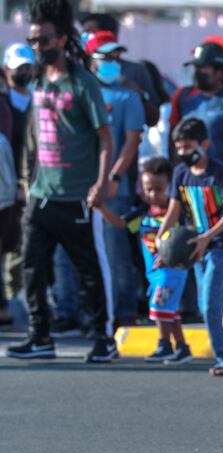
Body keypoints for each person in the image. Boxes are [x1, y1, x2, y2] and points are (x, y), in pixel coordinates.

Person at [6, 0, 116, 363]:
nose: (37, 47)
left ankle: (102, 338)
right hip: (41, 193)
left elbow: (105, 136)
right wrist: (27, 178)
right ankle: (40, 337)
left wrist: (102, 183)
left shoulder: (83, 83)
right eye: (32, 40)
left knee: (87, 271)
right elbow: (34, 131)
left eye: (43, 40)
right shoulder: (37, 79)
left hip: (77, 196)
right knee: (32, 267)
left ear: (62, 38)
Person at [157, 118, 223, 376]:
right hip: (194, 246)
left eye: (189, 146)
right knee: (209, 301)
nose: (184, 152)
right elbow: (174, 209)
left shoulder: (217, 172)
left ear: (204, 144)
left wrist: (208, 236)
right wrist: (162, 240)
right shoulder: (181, 173)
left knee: (209, 304)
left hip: (220, 244)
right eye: (179, 147)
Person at [99, 157, 192, 364]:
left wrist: (169, 255)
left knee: (158, 307)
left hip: (172, 271)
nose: (153, 195)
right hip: (154, 272)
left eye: (159, 189)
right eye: (148, 189)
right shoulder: (144, 212)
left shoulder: (177, 213)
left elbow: (188, 239)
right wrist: (100, 207)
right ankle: (182, 346)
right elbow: (120, 223)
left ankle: (164, 345)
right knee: (170, 310)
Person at [85, 31, 145, 326]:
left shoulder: (128, 95)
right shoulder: (85, 91)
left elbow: (131, 141)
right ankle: (84, 310)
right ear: (92, 60)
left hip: (113, 189)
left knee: (115, 251)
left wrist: (114, 176)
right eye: (106, 57)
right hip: (81, 186)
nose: (113, 63)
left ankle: (123, 312)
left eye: (116, 57)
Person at [169, 43, 223, 186]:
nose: (197, 72)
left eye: (202, 68)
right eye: (196, 68)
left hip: (219, 182)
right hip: (190, 182)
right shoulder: (187, 99)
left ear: (220, 72)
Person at [0, 43, 35, 327]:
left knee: (23, 245)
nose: (23, 72)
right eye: (18, 67)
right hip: (4, 184)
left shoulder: (39, 99)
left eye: (27, 67)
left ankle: (21, 303)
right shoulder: (2, 102)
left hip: (31, 184)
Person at [79, 12, 159, 127]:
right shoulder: (78, 74)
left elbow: (153, 119)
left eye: (89, 32)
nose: (84, 36)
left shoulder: (136, 72)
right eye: (83, 32)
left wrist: (140, 97)